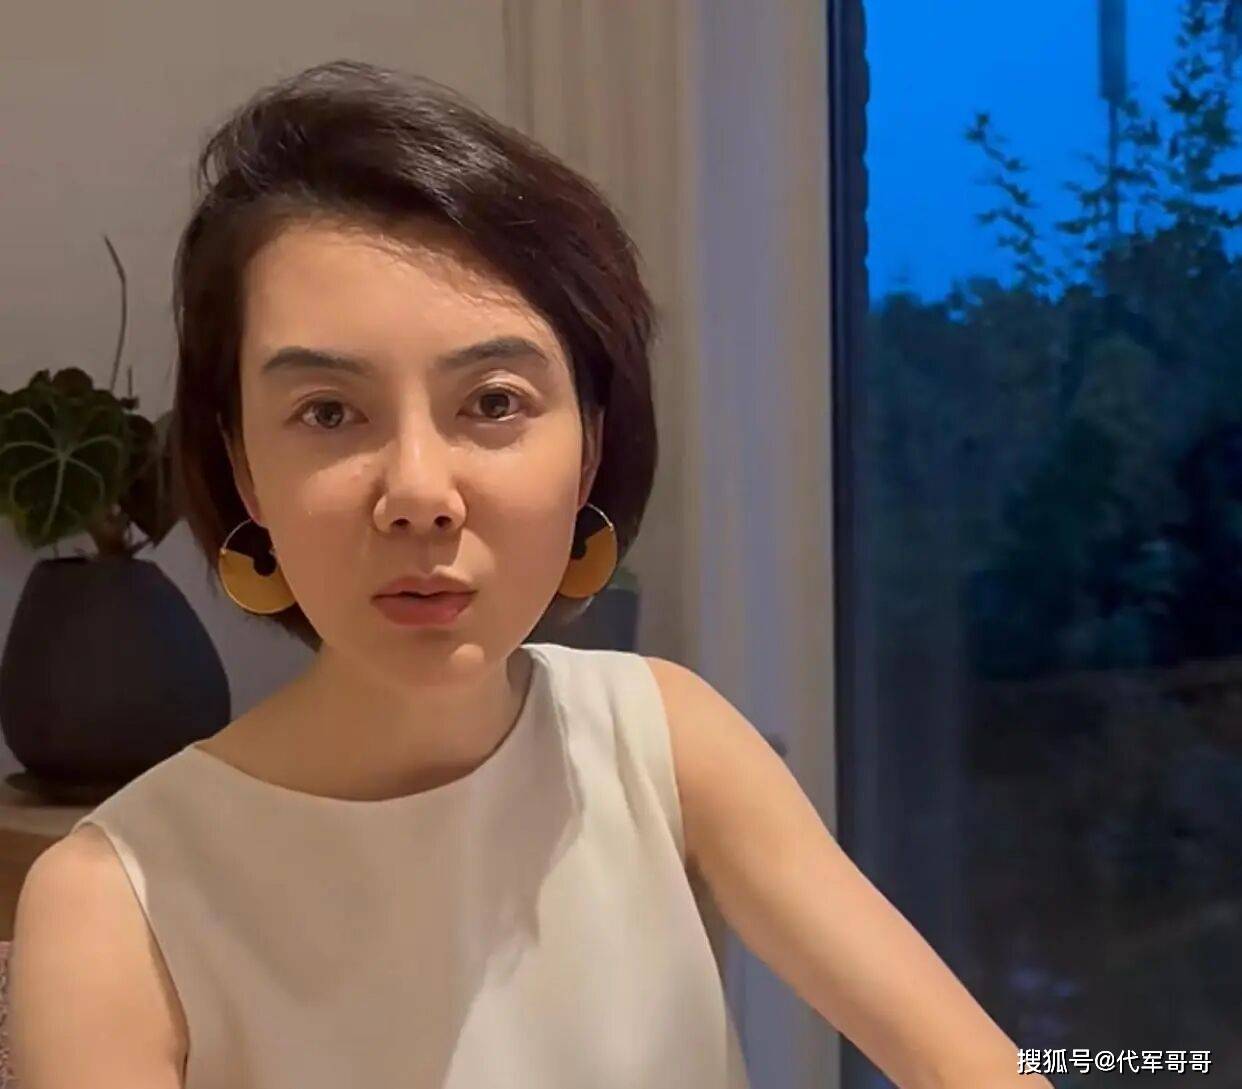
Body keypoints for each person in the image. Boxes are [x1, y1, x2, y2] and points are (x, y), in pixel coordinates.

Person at [7, 59, 1049, 1089]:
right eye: (328, 412)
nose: (420, 492)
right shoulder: (112, 903)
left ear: (590, 446)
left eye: (494, 402)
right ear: (243, 466)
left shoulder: (664, 740)